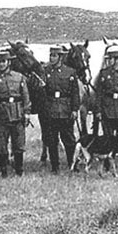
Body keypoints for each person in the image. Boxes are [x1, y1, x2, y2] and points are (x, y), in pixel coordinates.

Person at [0, 49, 31, 177]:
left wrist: (27, 112)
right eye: (0, 62)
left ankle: (19, 171)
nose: (2, 64)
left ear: (9, 62)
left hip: (17, 114)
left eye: (4, 61)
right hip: (1, 117)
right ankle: (4, 172)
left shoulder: (19, 77)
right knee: (2, 146)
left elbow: (25, 97)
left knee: (19, 145)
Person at [42, 45, 80, 174]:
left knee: (69, 140)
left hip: (66, 110)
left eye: (54, 56)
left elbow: (75, 93)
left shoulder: (70, 72)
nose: (52, 58)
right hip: (50, 110)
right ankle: (55, 167)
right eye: (50, 55)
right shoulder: (45, 71)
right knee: (52, 141)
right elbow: (42, 93)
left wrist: (75, 109)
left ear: (60, 57)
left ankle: (72, 164)